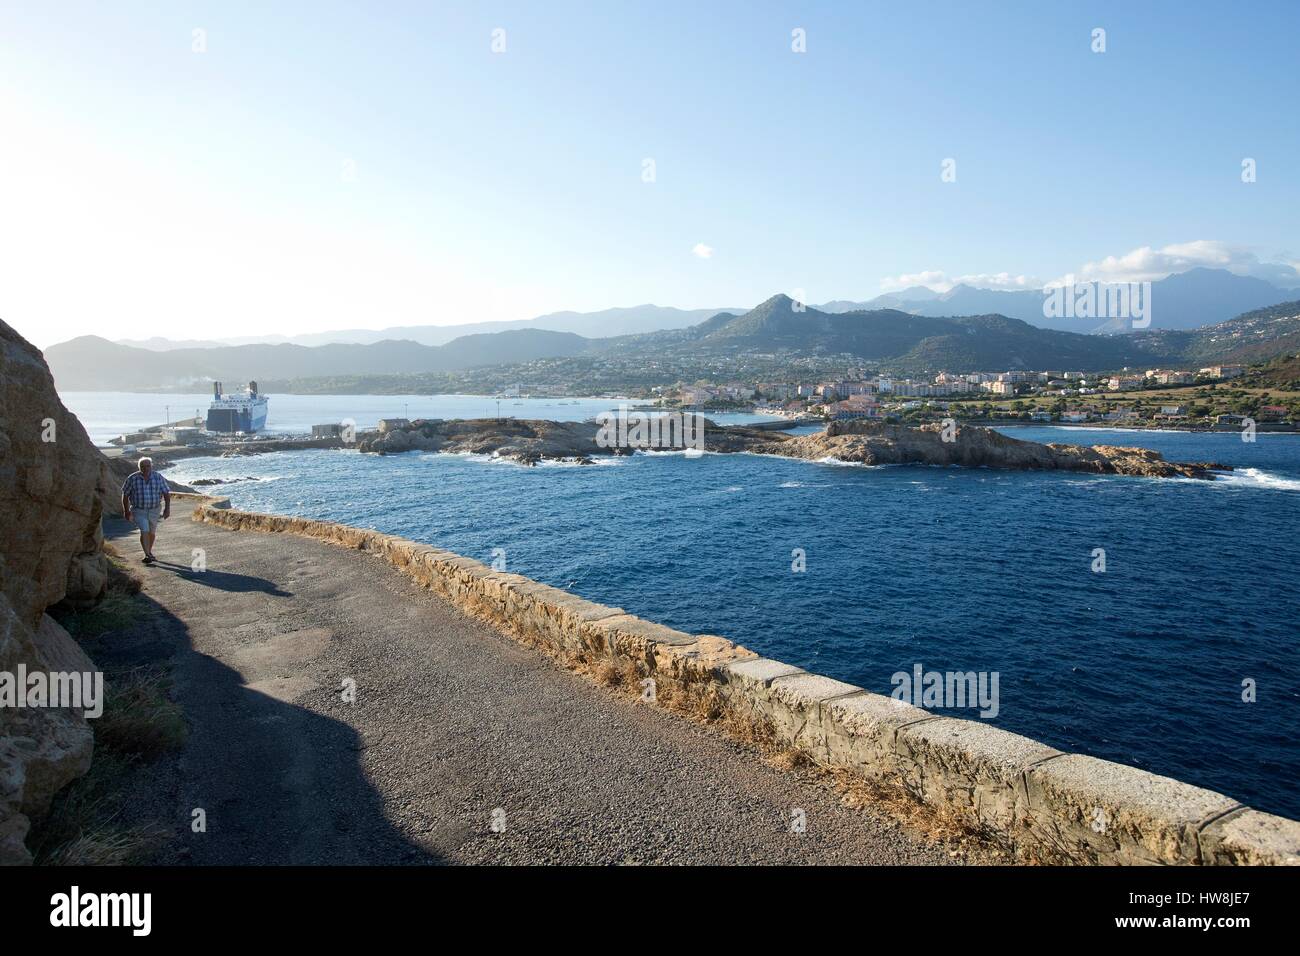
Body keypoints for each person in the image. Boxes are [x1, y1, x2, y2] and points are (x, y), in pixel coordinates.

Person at [121, 456, 171, 564]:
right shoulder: (132, 478)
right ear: (139, 467)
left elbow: (166, 493)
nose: (146, 468)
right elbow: (125, 495)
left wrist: (167, 509)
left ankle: (149, 551)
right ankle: (147, 554)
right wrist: (126, 511)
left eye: (148, 466)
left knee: (152, 532)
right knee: (144, 530)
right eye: (143, 466)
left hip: (155, 509)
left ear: (151, 466)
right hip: (139, 510)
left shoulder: (158, 477)